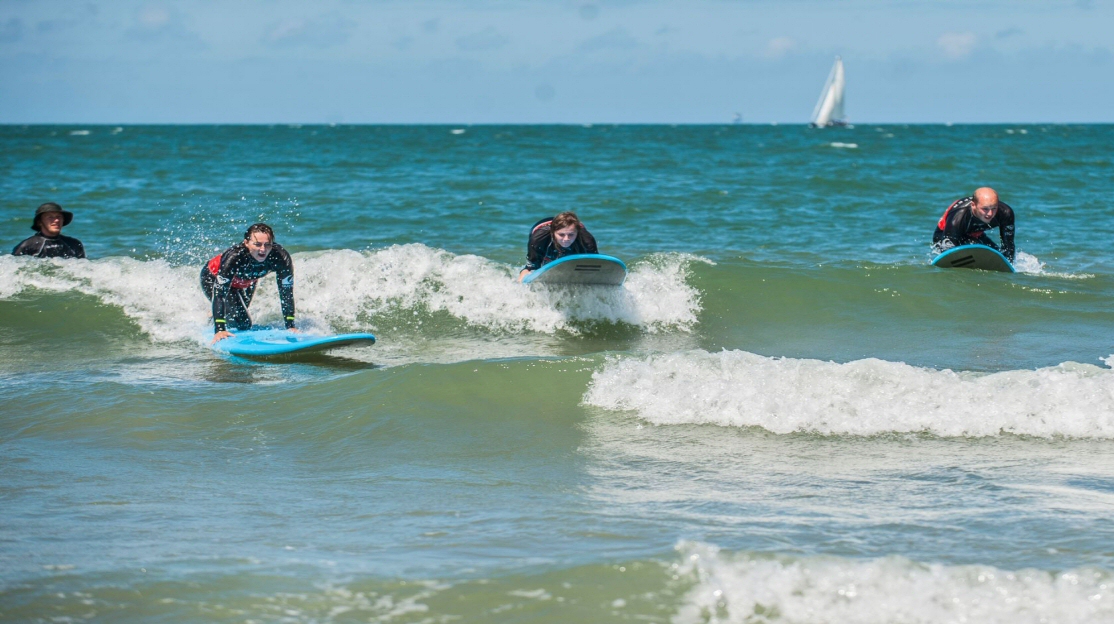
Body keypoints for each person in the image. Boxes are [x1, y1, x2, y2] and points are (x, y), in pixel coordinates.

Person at [201, 223, 297, 343]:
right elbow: (220, 294)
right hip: (212, 277)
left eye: (267, 244)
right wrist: (219, 330)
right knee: (243, 322)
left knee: (240, 314)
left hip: (247, 281)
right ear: (246, 243)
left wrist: (290, 326)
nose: (263, 249)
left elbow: (286, 293)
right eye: (257, 244)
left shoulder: (280, 258)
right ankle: (217, 321)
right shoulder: (235, 256)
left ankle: (216, 315)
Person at [932, 187, 1015, 262]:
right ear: (973, 205)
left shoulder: (1005, 213)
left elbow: (1008, 246)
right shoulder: (958, 217)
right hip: (944, 234)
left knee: (998, 254)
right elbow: (947, 253)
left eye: (994, 208)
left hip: (976, 235)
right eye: (985, 209)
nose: (990, 214)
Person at [517, 211, 599, 281]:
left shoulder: (587, 241)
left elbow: (596, 266)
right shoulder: (538, 240)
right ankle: (518, 290)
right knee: (531, 268)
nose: (566, 239)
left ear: (577, 233)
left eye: (571, 235)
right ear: (553, 233)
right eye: (561, 234)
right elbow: (532, 268)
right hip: (539, 229)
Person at [11, 202, 86, 258]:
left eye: (59, 217)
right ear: (39, 222)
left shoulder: (74, 244)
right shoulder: (26, 246)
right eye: (50, 217)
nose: (56, 220)